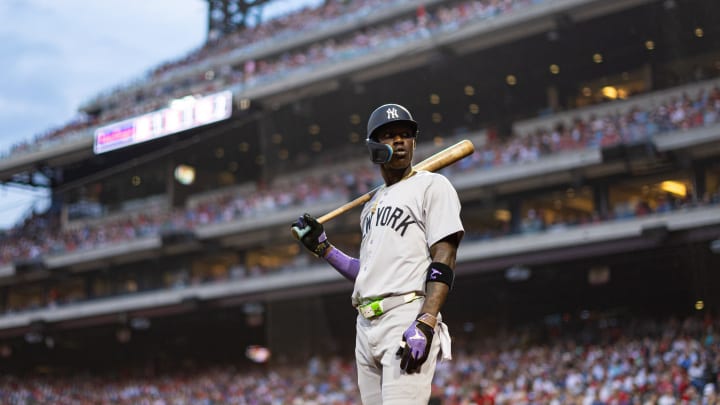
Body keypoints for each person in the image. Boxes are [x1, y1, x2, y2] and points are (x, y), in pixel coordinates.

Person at [292, 103, 464, 404]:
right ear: (373, 147)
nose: (399, 140)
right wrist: (324, 249)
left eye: (405, 134)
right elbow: (368, 273)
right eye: (389, 135)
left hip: (405, 316)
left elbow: (445, 254)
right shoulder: (371, 204)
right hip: (365, 323)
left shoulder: (433, 185)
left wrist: (426, 321)